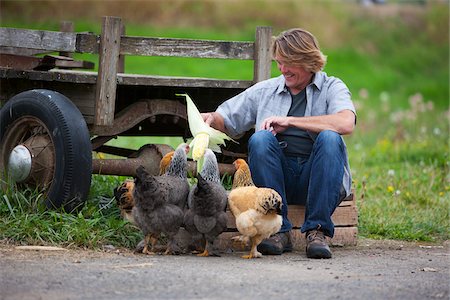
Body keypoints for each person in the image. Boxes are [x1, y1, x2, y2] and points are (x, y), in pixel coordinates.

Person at [202, 28, 356, 259]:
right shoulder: (267, 90)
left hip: (319, 179)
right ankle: (277, 231)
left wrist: (292, 122)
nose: (283, 69)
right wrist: (212, 119)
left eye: (289, 63)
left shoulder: (332, 87)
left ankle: (317, 232)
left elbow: (346, 123)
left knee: (330, 137)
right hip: (277, 178)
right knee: (261, 139)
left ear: (308, 60)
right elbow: (228, 119)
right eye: (279, 63)